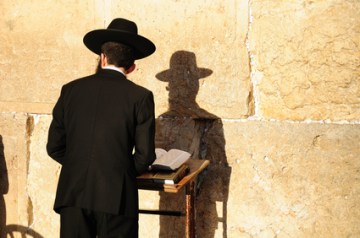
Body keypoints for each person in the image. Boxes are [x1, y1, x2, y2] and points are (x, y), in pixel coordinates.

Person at [46, 18, 156, 238]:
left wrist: (81, 164)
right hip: (116, 198)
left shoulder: (70, 90)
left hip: (73, 196)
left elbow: (54, 147)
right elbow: (145, 156)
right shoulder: (140, 97)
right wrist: (116, 172)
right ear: (132, 67)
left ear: (103, 58)